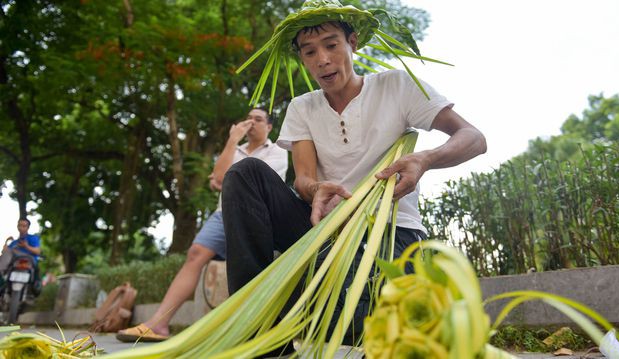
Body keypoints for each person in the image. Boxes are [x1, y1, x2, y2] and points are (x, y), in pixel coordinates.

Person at [221, 0, 487, 351]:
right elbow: (303, 178)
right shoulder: (303, 107)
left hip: (391, 233)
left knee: (370, 323)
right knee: (244, 174)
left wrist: (425, 159)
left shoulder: (397, 86)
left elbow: (473, 138)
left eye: (331, 45)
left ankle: (339, 317)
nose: (322, 59)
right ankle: (258, 335)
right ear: (302, 58)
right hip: (326, 232)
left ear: (353, 43)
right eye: (310, 51)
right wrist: (315, 188)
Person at [116, 107, 288, 342]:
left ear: (269, 127)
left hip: (255, 217)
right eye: (248, 119)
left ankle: (251, 329)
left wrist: (226, 179)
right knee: (195, 254)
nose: (251, 123)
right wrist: (232, 140)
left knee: (249, 266)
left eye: (258, 119)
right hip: (222, 213)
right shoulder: (234, 149)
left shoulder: (277, 151)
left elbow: (256, 185)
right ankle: (158, 324)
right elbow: (218, 177)